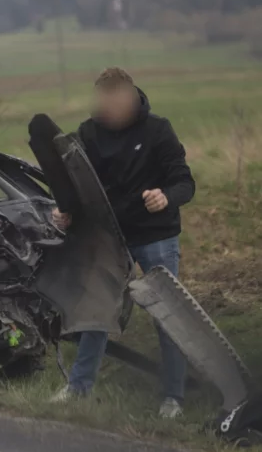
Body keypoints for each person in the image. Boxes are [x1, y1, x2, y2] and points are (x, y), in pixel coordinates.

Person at [51, 67, 196, 418]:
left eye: (118, 104)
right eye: (106, 105)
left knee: (167, 315)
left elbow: (185, 182)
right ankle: (79, 388)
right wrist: (65, 211)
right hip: (110, 237)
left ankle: (173, 397)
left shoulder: (158, 130)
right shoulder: (87, 134)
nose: (112, 112)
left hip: (156, 235)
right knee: (98, 309)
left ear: (131, 98)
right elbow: (77, 186)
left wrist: (165, 197)